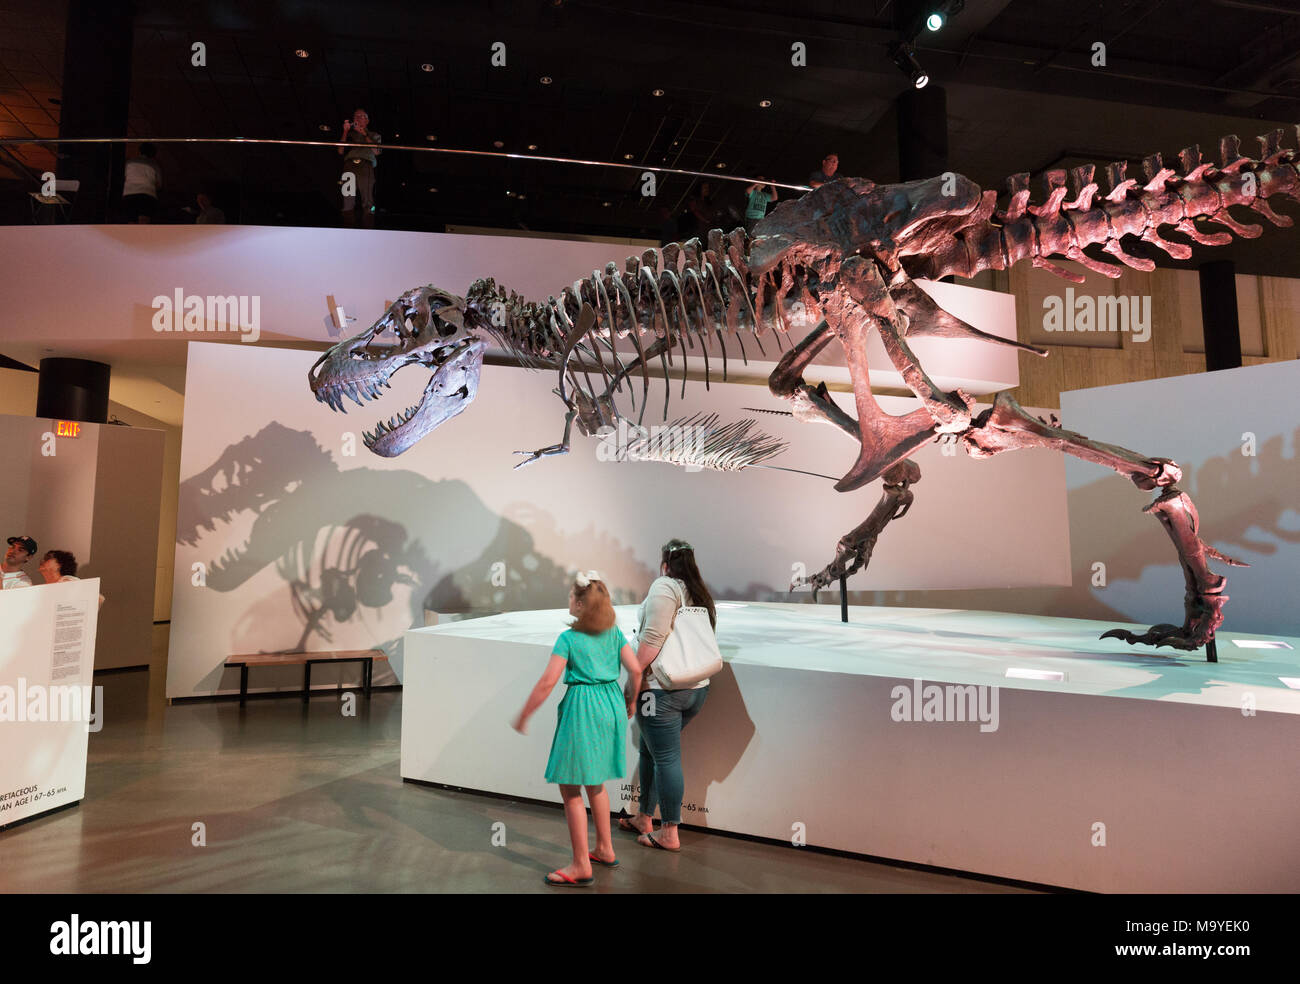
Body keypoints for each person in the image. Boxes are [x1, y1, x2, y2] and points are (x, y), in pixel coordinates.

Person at [512, 570, 640, 887]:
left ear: (581, 604)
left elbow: (547, 682)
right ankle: (605, 849)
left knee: (571, 788)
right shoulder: (613, 633)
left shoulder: (568, 639)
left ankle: (581, 865)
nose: (568, 600)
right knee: (595, 782)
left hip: (583, 708)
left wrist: (524, 714)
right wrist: (631, 700)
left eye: (571, 596)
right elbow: (636, 670)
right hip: (611, 704)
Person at [620, 538, 716, 852]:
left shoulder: (664, 586)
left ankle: (669, 832)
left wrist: (632, 684)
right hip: (695, 689)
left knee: (665, 757)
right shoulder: (698, 591)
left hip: (661, 691)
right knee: (651, 752)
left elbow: (651, 638)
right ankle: (644, 818)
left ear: (665, 564)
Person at [338, 108, 381, 228]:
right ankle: (348, 227)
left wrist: (364, 134)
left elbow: (377, 151)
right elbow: (340, 150)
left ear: (367, 120)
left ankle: (368, 227)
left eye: (361, 116)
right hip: (349, 165)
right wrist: (345, 131)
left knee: (367, 198)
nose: (357, 118)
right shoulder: (349, 134)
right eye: (355, 116)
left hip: (365, 165)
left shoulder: (374, 135)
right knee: (348, 197)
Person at [39, 549, 105, 605]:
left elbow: (99, 599)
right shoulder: (52, 586)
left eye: (48, 558)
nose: (42, 562)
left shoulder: (67, 580)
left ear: (59, 564)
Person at [122, 143, 163, 223]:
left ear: (140, 151)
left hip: (129, 194)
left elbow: (123, 177)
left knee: (131, 221)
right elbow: (159, 184)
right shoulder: (155, 165)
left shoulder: (129, 162)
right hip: (147, 194)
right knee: (144, 222)